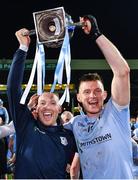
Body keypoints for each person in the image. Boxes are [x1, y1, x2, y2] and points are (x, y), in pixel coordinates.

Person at [64, 15, 133, 179]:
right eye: (86, 92)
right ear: (79, 97)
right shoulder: (75, 124)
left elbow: (122, 72)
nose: (92, 96)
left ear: (105, 95)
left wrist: (96, 34)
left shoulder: (116, 113)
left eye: (97, 91)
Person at [7, 28, 80, 179]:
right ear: (36, 108)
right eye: (42, 103)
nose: (47, 106)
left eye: (52, 102)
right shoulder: (26, 125)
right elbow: (13, 89)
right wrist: (23, 48)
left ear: (59, 108)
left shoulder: (69, 136)